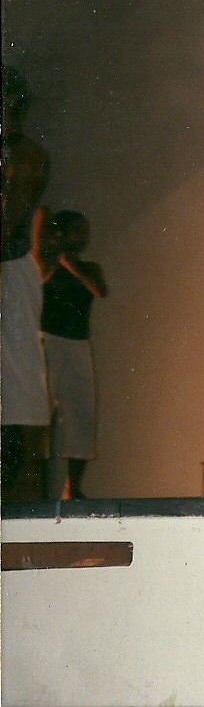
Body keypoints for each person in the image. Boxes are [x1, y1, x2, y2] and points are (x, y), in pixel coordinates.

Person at [1, 66, 51, 500]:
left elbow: (11, 217)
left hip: (11, 272)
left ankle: (22, 492)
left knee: (19, 389)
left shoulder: (25, 155)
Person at [41, 210, 107, 500]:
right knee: (42, 413)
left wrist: (73, 267)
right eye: (77, 230)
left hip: (78, 345)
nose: (82, 237)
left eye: (85, 231)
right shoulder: (46, 264)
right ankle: (36, 484)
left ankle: (73, 487)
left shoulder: (89, 268)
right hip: (49, 342)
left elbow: (100, 290)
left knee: (81, 415)